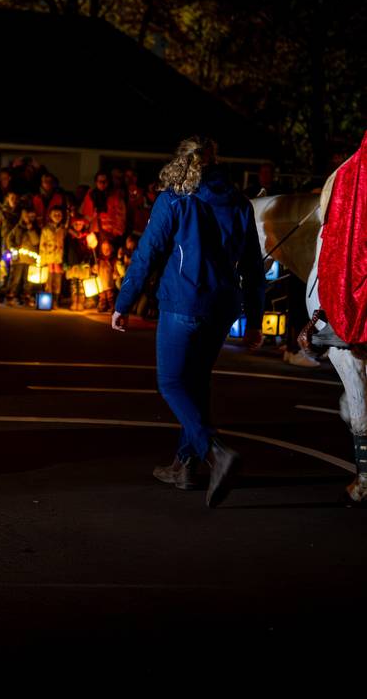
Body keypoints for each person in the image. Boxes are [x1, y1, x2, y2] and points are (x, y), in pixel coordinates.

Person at [111, 136, 265, 508]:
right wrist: (256, 319)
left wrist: (124, 301)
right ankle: (185, 465)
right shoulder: (239, 203)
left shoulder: (174, 200)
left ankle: (215, 450)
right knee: (196, 382)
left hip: (184, 300)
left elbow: (147, 253)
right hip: (222, 306)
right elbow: (253, 268)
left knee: (171, 381)